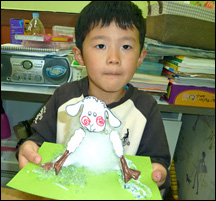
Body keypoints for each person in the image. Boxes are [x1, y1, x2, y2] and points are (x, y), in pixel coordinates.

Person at [17, 1, 170, 190]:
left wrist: (158, 172)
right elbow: (38, 140)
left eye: (126, 47)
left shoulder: (146, 108)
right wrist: (29, 147)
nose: (114, 58)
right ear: (79, 55)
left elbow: (158, 161)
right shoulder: (64, 96)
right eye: (100, 45)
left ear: (140, 57)